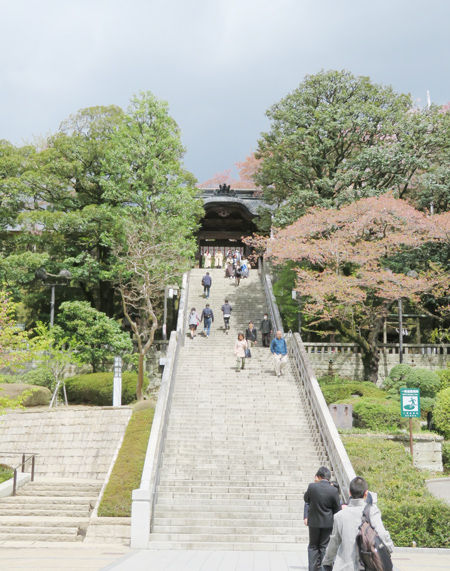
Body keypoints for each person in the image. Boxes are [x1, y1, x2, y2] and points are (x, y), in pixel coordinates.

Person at [322, 476, 394, 571]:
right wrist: (389, 548)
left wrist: (327, 562)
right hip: (367, 565)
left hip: (345, 567)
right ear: (366, 494)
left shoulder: (339, 516)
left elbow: (334, 542)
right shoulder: (372, 511)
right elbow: (382, 534)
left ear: (350, 492)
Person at [304, 466, 341, 571]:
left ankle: (312, 568)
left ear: (319, 476)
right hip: (328, 523)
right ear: (328, 477)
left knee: (313, 546)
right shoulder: (333, 490)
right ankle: (324, 568)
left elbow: (306, 499)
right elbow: (337, 509)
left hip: (314, 522)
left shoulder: (312, 487)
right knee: (324, 546)